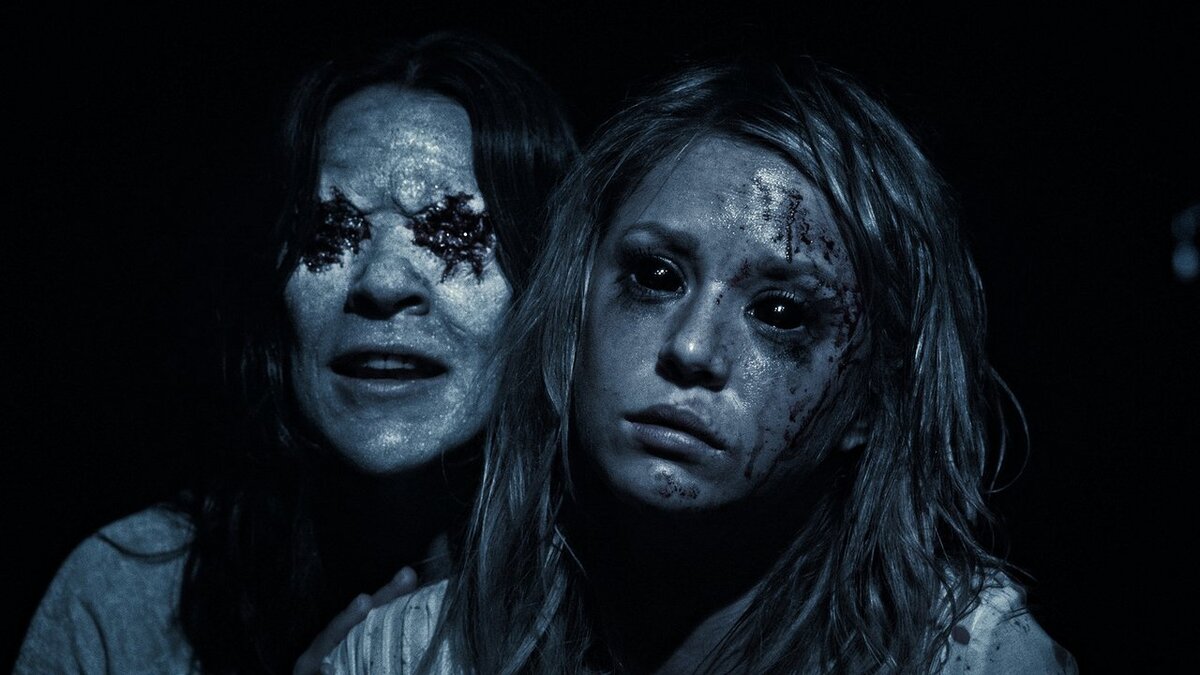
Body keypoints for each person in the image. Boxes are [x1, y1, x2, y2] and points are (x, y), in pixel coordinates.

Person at [326, 57, 1077, 673]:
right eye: (655, 276)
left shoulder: (972, 658)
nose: (690, 349)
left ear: (870, 398)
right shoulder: (404, 655)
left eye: (780, 313)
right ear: (572, 307)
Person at [16, 31, 576, 674]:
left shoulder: (628, 615)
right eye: (327, 229)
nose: (382, 283)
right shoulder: (124, 600)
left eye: (454, 230)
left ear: (548, 278)